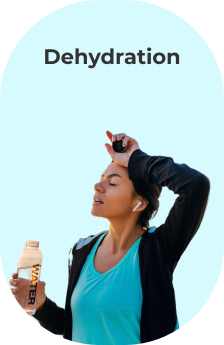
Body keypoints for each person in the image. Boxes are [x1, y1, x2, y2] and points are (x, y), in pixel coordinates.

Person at [9, 131, 210, 343]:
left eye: (112, 183)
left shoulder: (157, 248)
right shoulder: (82, 250)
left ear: (139, 203)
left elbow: (195, 185)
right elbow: (79, 324)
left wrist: (136, 159)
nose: (98, 186)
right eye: (102, 179)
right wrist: (41, 306)